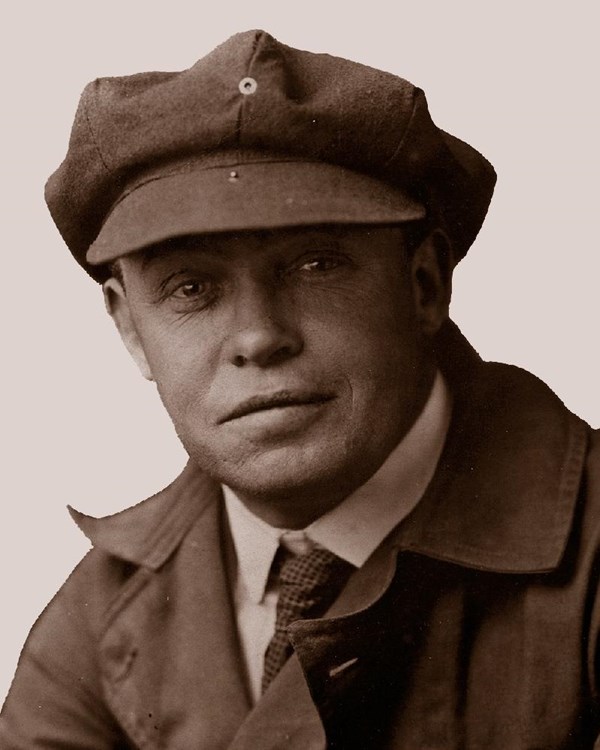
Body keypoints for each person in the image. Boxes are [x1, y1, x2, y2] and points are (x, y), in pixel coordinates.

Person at [1, 28, 598, 749]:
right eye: (192, 287)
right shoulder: (100, 611)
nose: (258, 337)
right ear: (131, 331)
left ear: (424, 284)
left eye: (316, 264)